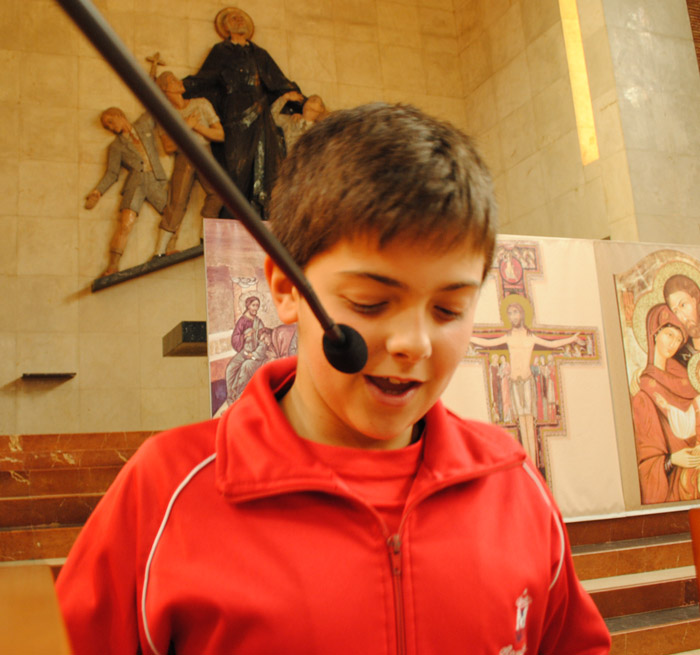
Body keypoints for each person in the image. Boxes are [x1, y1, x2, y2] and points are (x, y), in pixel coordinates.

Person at [56, 103, 610, 654]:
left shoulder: (513, 484)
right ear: (286, 288)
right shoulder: (164, 493)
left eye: (448, 310)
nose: (413, 343)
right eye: (370, 302)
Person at [183, 7, 300, 216]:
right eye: (233, 18)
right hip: (234, 111)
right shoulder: (221, 51)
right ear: (226, 27)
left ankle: (259, 214)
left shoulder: (259, 54)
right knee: (235, 165)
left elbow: (278, 82)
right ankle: (233, 214)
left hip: (260, 113)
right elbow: (204, 79)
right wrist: (177, 87)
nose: (238, 21)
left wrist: (298, 101)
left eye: (241, 18)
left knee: (263, 164)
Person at [470, 295, 583, 469]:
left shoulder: (531, 337)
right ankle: (528, 464)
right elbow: (487, 343)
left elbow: (551, 344)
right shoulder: (508, 337)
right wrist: (468, 337)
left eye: (515, 312)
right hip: (514, 383)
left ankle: (534, 464)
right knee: (522, 423)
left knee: (529, 422)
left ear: (522, 314)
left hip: (527, 381)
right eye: (510, 313)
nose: (513, 317)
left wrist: (572, 339)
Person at [86, 107, 168, 276]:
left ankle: (170, 249)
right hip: (135, 184)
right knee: (125, 224)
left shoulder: (144, 124)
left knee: (171, 215)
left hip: (155, 179)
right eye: (107, 126)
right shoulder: (116, 146)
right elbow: (112, 173)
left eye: (110, 122)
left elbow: (154, 108)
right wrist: (98, 192)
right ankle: (113, 265)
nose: (110, 127)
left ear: (119, 115)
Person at [632, 303, 700, 503]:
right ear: (655, 333)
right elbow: (646, 460)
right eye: (669, 335)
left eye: (678, 339)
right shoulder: (643, 392)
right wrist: (672, 460)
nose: (673, 344)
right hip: (675, 480)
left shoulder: (688, 379)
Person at [153, 71, 224, 257]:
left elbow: (220, 134)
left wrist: (197, 126)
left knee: (219, 192)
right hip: (184, 156)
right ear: (165, 89)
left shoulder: (201, 104)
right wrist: (186, 126)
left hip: (204, 152)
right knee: (177, 201)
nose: (178, 81)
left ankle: (204, 237)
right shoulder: (165, 115)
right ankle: (159, 251)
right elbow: (168, 146)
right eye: (172, 80)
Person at [664, 274, 700, 367]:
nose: (683, 317)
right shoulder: (680, 357)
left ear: (695, 300)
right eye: (676, 311)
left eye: (683, 305)